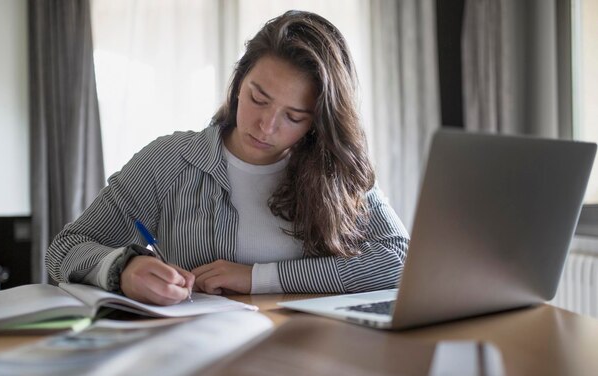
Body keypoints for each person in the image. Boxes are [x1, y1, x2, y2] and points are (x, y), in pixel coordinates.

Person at [46, 10, 410, 306]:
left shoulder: (335, 170)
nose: (266, 126)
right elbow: (64, 249)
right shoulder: (169, 161)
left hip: (308, 354)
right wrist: (123, 270)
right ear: (238, 84)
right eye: (258, 98)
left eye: (293, 117)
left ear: (317, 123)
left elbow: (398, 258)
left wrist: (256, 277)